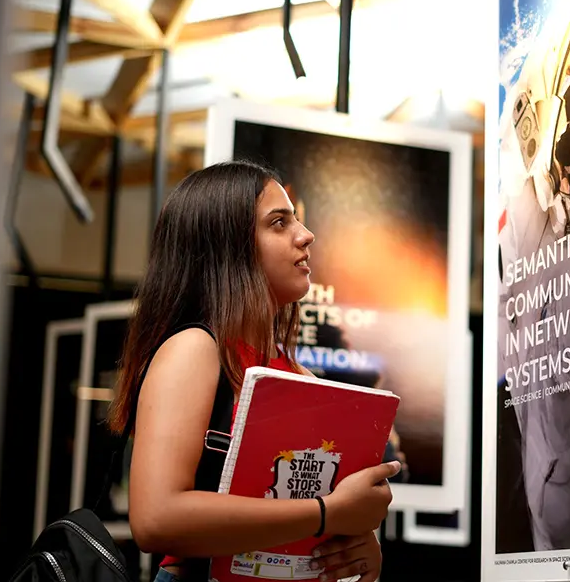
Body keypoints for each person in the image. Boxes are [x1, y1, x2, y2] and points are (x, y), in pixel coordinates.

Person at [107, 161, 400, 582]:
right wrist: (325, 513)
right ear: (227, 246)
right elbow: (155, 519)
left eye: (295, 219)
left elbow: (301, 516)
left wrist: (356, 550)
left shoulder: (298, 374)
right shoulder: (195, 349)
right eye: (279, 223)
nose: (306, 235)